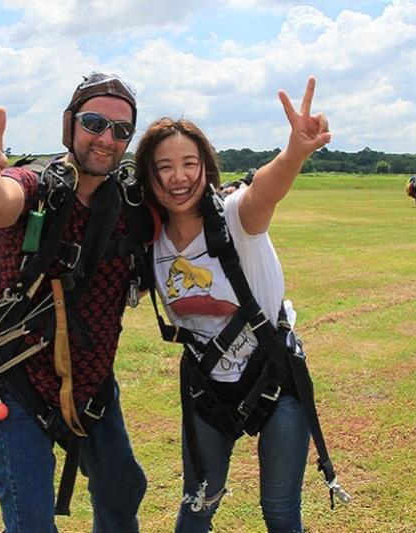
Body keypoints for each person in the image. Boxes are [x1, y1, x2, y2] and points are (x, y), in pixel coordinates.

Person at [135, 77, 334, 532]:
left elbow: (266, 189)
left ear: (206, 167)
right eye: (164, 166)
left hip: (275, 377)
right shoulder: (148, 241)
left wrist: (294, 153)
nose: (178, 176)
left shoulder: (234, 218)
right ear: (148, 175)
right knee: (198, 502)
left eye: (190, 163)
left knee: (280, 509)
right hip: (207, 386)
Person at [0, 73, 147, 532]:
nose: (106, 138)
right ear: (70, 125)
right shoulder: (39, 185)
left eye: (121, 130)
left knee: (122, 491)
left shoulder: (130, 204)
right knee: (32, 524)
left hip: (93, 386)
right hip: (17, 385)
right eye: (94, 122)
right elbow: (3, 200)